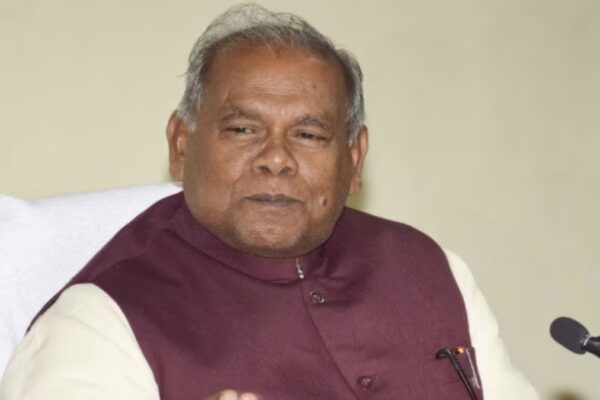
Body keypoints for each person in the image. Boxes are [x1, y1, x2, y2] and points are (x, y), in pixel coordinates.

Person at [0, 4, 538, 400]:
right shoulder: (98, 322)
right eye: (242, 129)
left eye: (308, 135)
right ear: (180, 145)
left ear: (354, 159)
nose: (276, 158)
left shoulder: (428, 268)